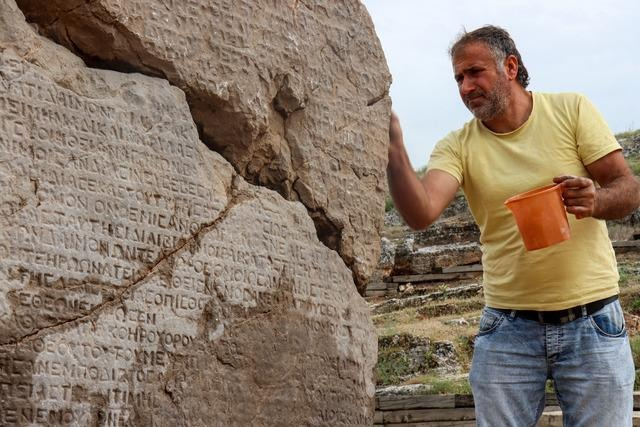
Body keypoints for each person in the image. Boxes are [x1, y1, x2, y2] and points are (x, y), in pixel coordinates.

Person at [387, 25, 640, 426]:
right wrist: (395, 148)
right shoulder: (457, 146)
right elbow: (421, 213)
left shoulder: (571, 110)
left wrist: (597, 199)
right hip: (508, 329)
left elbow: (627, 187)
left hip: (593, 322)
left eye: (474, 72)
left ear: (510, 66)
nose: (466, 87)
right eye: (458, 78)